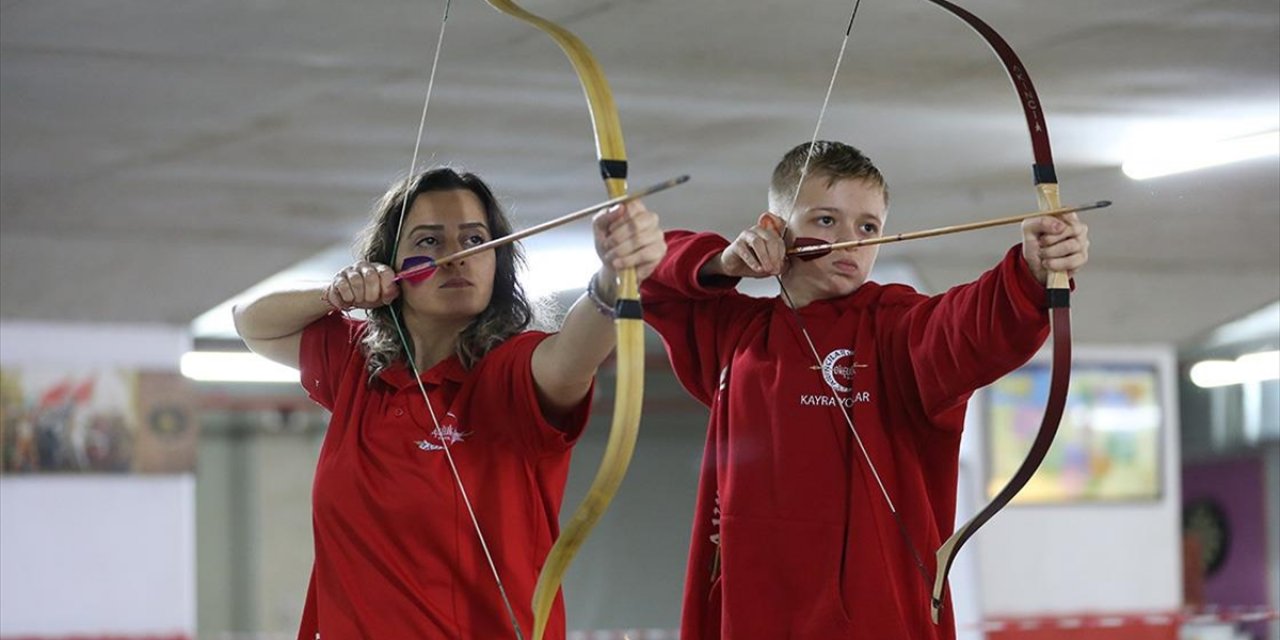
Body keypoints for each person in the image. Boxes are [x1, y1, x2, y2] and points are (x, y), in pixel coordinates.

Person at [639, 141, 1090, 639]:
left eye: (868, 227)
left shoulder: (896, 327)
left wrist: (1030, 272)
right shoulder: (734, 332)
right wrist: (722, 263)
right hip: (748, 614)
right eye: (826, 221)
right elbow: (649, 275)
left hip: (875, 618)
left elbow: (967, 326)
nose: (849, 241)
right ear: (772, 229)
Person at [232, 167, 666, 639]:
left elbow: (571, 357)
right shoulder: (357, 364)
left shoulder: (510, 371)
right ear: (390, 268)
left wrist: (613, 279)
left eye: (475, 238)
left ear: (496, 260)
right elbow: (251, 322)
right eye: (429, 242)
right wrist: (334, 293)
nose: (457, 256)